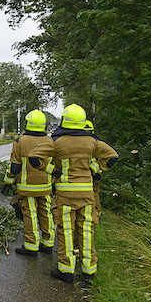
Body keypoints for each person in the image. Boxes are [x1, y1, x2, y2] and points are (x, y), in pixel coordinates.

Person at [28, 104, 119, 284]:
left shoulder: (56, 141)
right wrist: (93, 169)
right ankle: (89, 271)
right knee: (86, 231)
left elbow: (34, 157)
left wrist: (53, 170)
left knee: (66, 231)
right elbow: (113, 157)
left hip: (65, 195)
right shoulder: (92, 141)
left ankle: (66, 270)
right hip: (87, 195)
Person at [1, 109, 55, 256]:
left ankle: (31, 246)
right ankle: (48, 244)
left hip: (27, 188)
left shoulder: (20, 142)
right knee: (46, 213)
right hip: (45, 187)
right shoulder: (50, 141)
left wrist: (7, 183)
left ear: (27, 124)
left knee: (30, 215)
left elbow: (15, 167)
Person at [84, 121, 102, 218]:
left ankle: (96, 214)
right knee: (93, 195)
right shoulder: (96, 141)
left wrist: (92, 170)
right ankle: (94, 214)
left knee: (93, 195)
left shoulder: (95, 142)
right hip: (91, 172)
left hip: (91, 173)